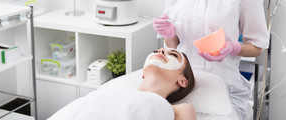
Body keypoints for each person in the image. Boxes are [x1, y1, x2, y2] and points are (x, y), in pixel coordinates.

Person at [48, 48, 196, 120]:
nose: (162, 50)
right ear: (143, 73)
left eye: (173, 55)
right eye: (157, 50)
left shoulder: (179, 109)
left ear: (182, 81)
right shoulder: (109, 92)